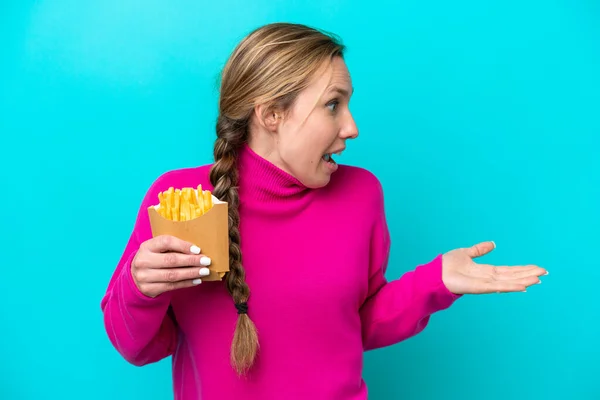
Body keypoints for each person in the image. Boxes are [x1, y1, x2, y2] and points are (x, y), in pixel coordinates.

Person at [100, 22, 547, 400]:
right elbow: (137, 347)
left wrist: (437, 282)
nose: (352, 127)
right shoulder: (180, 198)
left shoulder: (362, 194)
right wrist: (139, 288)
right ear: (271, 113)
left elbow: (355, 326)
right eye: (333, 105)